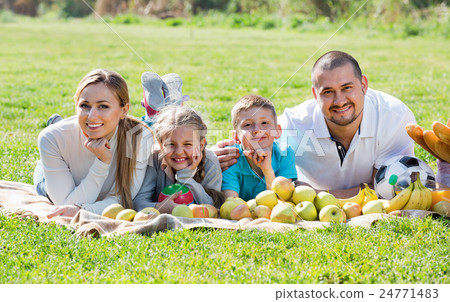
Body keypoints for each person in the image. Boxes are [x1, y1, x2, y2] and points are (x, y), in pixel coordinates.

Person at [214, 51, 416, 197]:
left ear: (364, 85)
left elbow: (385, 189)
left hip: (313, 196)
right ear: (314, 94)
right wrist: (215, 154)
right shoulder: (296, 123)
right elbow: (255, 134)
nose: (339, 101)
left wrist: (319, 195)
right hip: (307, 198)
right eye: (328, 92)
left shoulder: (394, 118)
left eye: (347, 88)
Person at [34, 69, 154, 217]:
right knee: (44, 185)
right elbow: (65, 206)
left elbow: (121, 198)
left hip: (84, 189)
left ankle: (60, 122)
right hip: (54, 176)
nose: (92, 116)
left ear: (124, 110)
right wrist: (102, 162)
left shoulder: (139, 137)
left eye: (103, 106)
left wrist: (84, 210)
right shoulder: (51, 138)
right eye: (85, 105)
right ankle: (59, 125)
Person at [133, 105, 225, 213]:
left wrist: (185, 176)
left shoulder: (210, 163)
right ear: (160, 144)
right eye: (170, 144)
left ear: (201, 145)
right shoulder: (154, 160)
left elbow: (212, 207)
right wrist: (159, 207)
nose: (179, 152)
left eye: (187, 144)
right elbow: (138, 202)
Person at [221, 94, 297, 201]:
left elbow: (281, 202)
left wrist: (267, 170)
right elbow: (231, 204)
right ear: (236, 137)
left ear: (277, 131)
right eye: (247, 125)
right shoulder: (231, 159)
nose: (257, 129)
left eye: (264, 123)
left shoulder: (285, 154)